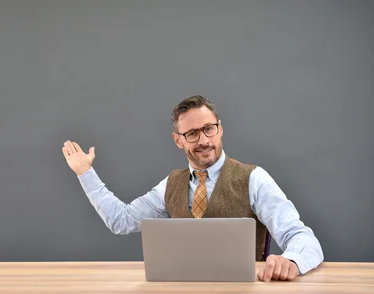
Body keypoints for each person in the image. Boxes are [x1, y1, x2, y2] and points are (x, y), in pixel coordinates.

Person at [61, 95, 323, 283]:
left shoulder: (254, 178)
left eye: (209, 129)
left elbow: (301, 236)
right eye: (192, 133)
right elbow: (120, 220)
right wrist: (85, 172)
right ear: (178, 140)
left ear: (220, 130)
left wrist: (292, 260)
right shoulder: (170, 185)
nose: (204, 140)